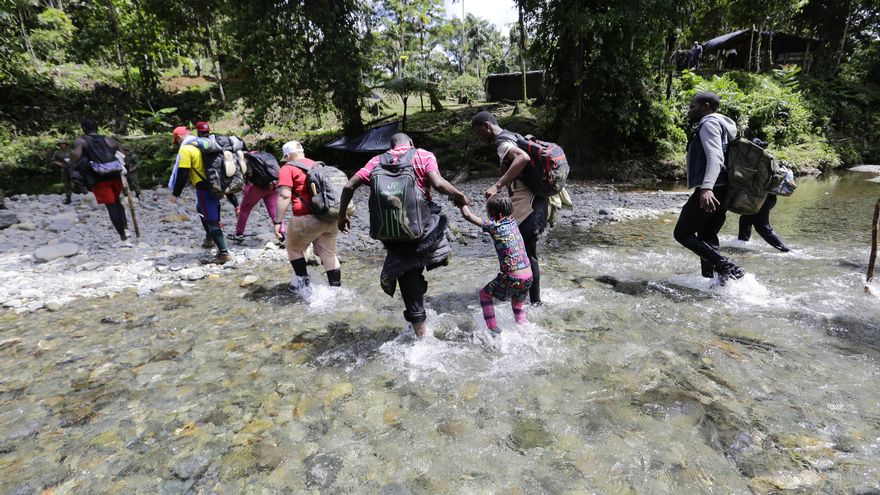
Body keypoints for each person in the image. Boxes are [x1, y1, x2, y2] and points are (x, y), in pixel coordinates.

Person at [337, 133, 469, 338]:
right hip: (422, 229)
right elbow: (438, 183)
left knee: (407, 277)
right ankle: (434, 261)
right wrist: (458, 195)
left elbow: (348, 186)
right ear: (411, 144)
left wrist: (342, 215)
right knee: (436, 220)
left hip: (392, 232)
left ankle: (420, 332)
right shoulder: (423, 155)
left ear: (390, 146)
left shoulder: (375, 161)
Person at [471, 111, 549, 305]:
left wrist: (497, 185)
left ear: (487, 126)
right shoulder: (512, 135)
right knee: (527, 253)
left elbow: (521, 158)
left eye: (479, 133)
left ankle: (534, 302)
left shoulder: (501, 142)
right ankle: (528, 299)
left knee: (527, 254)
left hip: (529, 207)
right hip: (535, 203)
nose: (478, 138)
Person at [673, 91, 744, 284]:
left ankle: (726, 266)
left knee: (682, 233)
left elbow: (715, 157)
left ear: (706, 106)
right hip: (724, 188)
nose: (689, 111)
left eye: (692, 106)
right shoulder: (724, 124)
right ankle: (716, 282)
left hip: (713, 187)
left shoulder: (709, 123)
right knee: (706, 234)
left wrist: (706, 188)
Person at [273, 141, 339, 296]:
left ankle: (304, 288)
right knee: (328, 253)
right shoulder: (319, 165)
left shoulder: (287, 168)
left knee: (294, 249)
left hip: (305, 218)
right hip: (330, 217)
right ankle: (336, 291)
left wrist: (278, 221)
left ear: (287, 156)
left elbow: (284, 195)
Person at [460, 196, 532, 335]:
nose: (488, 216)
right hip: (528, 277)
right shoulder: (513, 223)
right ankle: (523, 328)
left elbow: (468, 215)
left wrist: (460, 202)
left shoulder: (494, 227)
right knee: (517, 303)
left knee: (484, 295)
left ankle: (493, 330)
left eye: (489, 212)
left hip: (512, 277)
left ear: (497, 215)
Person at [169, 126, 231, 264]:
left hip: (204, 188)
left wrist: (175, 193)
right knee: (202, 209)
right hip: (218, 184)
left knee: (211, 219)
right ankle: (209, 239)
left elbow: (182, 174)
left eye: (177, 141)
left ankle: (223, 253)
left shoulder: (186, 149)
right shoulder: (207, 144)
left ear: (179, 138)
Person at [70, 117, 129, 241]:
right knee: (117, 201)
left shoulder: (82, 141)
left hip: (100, 179)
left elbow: (76, 155)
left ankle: (122, 234)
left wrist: (72, 167)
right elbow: (121, 154)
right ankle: (125, 226)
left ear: (83, 128)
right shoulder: (108, 139)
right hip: (115, 176)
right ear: (97, 128)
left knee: (111, 206)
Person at [231, 153, 284, 243]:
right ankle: (282, 235)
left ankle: (239, 234)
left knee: (244, 209)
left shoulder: (247, 159)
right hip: (274, 184)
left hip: (259, 187)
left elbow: (247, 181)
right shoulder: (263, 156)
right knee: (274, 210)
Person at [50, 140, 73, 204]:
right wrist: (58, 163)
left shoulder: (71, 151)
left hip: (72, 168)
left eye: (63, 144)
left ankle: (84, 194)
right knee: (66, 183)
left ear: (66, 144)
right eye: (61, 144)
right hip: (64, 169)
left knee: (75, 182)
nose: (62, 145)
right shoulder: (57, 152)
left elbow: (77, 158)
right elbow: (52, 161)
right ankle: (68, 198)